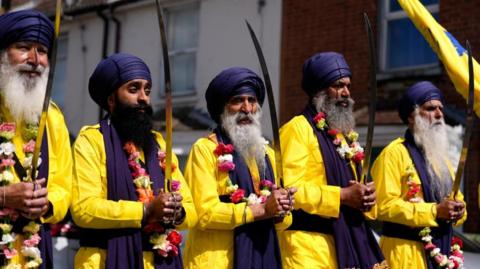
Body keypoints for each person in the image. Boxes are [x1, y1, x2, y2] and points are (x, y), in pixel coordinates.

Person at [71, 53, 197, 269]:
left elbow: (191, 211)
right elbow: (84, 209)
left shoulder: (159, 145)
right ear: (111, 99)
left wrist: (175, 210)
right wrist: (147, 210)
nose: (144, 98)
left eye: (147, 90)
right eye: (133, 89)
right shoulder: (91, 140)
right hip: (104, 260)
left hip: (160, 261)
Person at [278, 52, 387, 269]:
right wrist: (343, 195)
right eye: (338, 86)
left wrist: (367, 196)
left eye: (348, 85)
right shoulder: (297, 129)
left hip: (349, 240)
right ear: (319, 90)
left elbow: (359, 192)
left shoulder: (344, 136)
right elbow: (289, 189)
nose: (346, 92)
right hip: (306, 247)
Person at [182, 67, 295, 269]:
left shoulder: (267, 155)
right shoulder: (205, 150)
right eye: (237, 101)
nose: (247, 108)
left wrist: (281, 209)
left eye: (252, 101)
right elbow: (203, 214)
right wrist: (260, 209)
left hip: (264, 257)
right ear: (222, 108)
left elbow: (284, 223)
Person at [0, 9, 72, 268]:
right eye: (23, 47)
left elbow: (65, 187)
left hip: (35, 250)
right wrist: (5, 196)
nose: (35, 59)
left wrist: (48, 204)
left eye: (42, 51)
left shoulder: (52, 116)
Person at [371, 81, 467, 269]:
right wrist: (434, 211)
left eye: (440, 108)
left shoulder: (441, 158)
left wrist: (459, 210)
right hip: (403, 255)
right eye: (430, 109)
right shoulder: (393, 153)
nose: (439, 114)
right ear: (412, 117)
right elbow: (381, 206)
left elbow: (457, 200)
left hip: (442, 252)